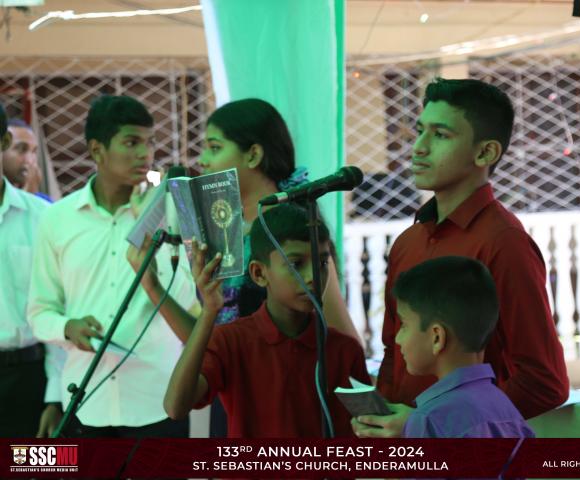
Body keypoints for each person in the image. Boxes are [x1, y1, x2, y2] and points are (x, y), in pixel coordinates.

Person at [126, 98, 360, 436]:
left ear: (253, 154)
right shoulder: (217, 231)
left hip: (291, 400)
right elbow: (209, 339)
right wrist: (153, 288)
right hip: (233, 399)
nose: (203, 160)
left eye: (215, 147)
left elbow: (341, 338)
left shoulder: (293, 230)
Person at [354, 78, 569, 437]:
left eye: (440, 135)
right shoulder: (408, 241)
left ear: (485, 153)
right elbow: (394, 357)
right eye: (420, 131)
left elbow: (544, 381)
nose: (419, 148)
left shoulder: (505, 243)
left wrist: (439, 425)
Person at [28, 95, 197, 437]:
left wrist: (146, 221)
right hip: (87, 400)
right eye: (131, 142)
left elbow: (183, 298)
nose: (145, 154)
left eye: (150, 143)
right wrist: (67, 327)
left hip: (158, 398)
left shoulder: (172, 213)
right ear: (96, 150)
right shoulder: (57, 219)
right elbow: (39, 311)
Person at [163, 203, 370, 437]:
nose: (313, 277)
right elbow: (175, 407)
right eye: (295, 264)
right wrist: (210, 311)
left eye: (321, 262)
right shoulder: (232, 341)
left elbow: (365, 431)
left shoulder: (344, 350)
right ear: (259, 274)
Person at [393, 256, 534, 438]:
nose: (397, 338)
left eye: (404, 325)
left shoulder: (429, 421)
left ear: (437, 337)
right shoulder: (504, 407)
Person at [0, 102, 63, 438]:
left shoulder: (43, 217)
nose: (28, 158)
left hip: (27, 377)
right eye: (21, 149)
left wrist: (55, 395)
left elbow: (56, 306)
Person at [4, 118, 51, 201]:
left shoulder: (44, 202)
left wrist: (31, 196)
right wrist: (28, 196)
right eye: (22, 149)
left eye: (34, 151)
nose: (30, 160)